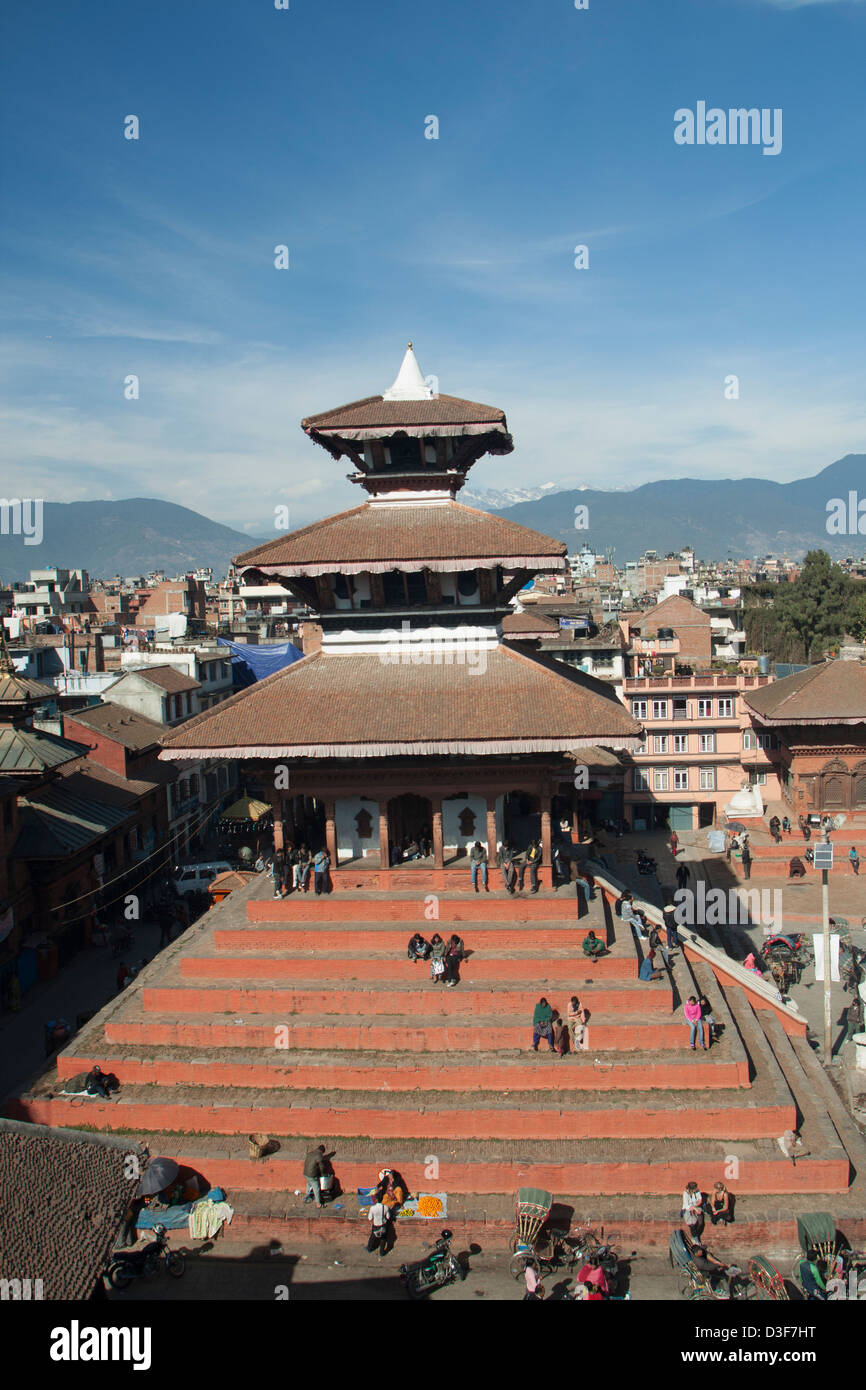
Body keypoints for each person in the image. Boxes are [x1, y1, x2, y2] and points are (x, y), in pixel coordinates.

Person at [303, 1144, 327, 1208]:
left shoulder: (310, 1153)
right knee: (316, 1188)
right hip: (312, 1175)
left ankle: (306, 1197)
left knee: (308, 1184)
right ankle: (318, 1203)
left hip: (305, 1173)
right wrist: (323, 1174)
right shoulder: (319, 1156)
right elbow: (321, 1167)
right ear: (322, 1151)